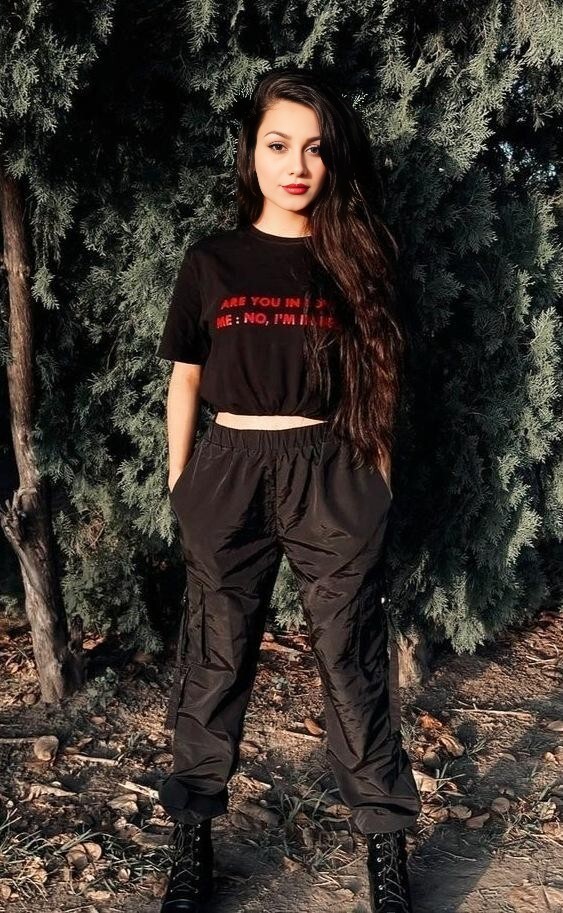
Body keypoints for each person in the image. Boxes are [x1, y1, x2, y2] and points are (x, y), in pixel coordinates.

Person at [155, 65, 422, 913]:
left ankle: (384, 848)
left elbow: (377, 382)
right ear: (252, 153)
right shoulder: (211, 261)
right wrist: (182, 479)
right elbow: (184, 378)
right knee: (215, 656)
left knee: (351, 660)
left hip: (331, 470)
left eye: (313, 148)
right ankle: (192, 843)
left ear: (333, 159)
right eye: (278, 145)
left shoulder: (353, 258)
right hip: (228, 468)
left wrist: (375, 480)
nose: (296, 164)